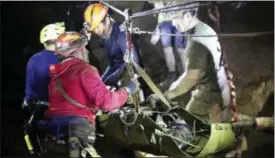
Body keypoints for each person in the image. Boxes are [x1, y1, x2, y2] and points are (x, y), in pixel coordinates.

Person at [44, 31, 140, 157]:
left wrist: (102, 90)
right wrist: (128, 90)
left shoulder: (55, 77)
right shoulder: (85, 70)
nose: (88, 52)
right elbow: (108, 103)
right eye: (85, 48)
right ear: (77, 52)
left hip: (54, 130)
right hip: (78, 130)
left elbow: (71, 99)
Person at [147, 2, 232, 123]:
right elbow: (191, 72)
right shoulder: (205, 28)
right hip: (223, 90)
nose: (173, 23)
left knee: (188, 129)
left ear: (187, 15)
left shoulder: (195, 43)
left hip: (209, 98)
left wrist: (166, 96)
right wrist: (172, 89)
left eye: (176, 18)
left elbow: (190, 79)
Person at [83, 3, 144, 90]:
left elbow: (135, 65)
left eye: (97, 27)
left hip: (131, 75)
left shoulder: (121, 36)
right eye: (94, 29)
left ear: (107, 20)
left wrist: (108, 81)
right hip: (118, 71)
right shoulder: (107, 35)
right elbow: (113, 65)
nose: (96, 32)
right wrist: (101, 80)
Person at [22, 22, 66, 107]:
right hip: (64, 108)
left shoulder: (34, 59)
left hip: (40, 108)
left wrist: (26, 101)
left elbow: (30, 88)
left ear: (44, 42)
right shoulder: (67, 58)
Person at [149, 1, 188, 91]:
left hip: (179, 17)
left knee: (181, 49)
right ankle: (172, 75)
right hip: (164, 20)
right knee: (167, 49)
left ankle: (187, 75)